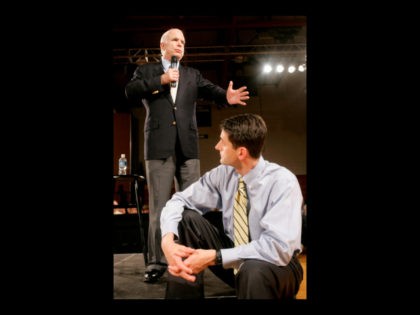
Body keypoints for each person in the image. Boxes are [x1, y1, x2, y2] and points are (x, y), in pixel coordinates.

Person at [125, 28, 250, 283]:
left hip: (188, 147)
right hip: (159, 147)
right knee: (159, 207)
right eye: (175, 40)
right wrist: (161, 80)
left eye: (183, 41)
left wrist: (226, 97)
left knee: (192, 205)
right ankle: (157, 261)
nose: (180, 44)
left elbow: (212, 90)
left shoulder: (192, 75)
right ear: (163, 45)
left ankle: (192, 255)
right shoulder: (148, 71)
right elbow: (131, 91)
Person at [160, 113, 304, 299]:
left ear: (241, 152)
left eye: (222, 142)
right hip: (235, 257)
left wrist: (215, 256)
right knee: (186, 218)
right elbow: (179, 200)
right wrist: (167, 240)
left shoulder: (283, 182)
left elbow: (278, 248)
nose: (217, 146)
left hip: (277, 265)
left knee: (253, 269)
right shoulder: (223, 174)